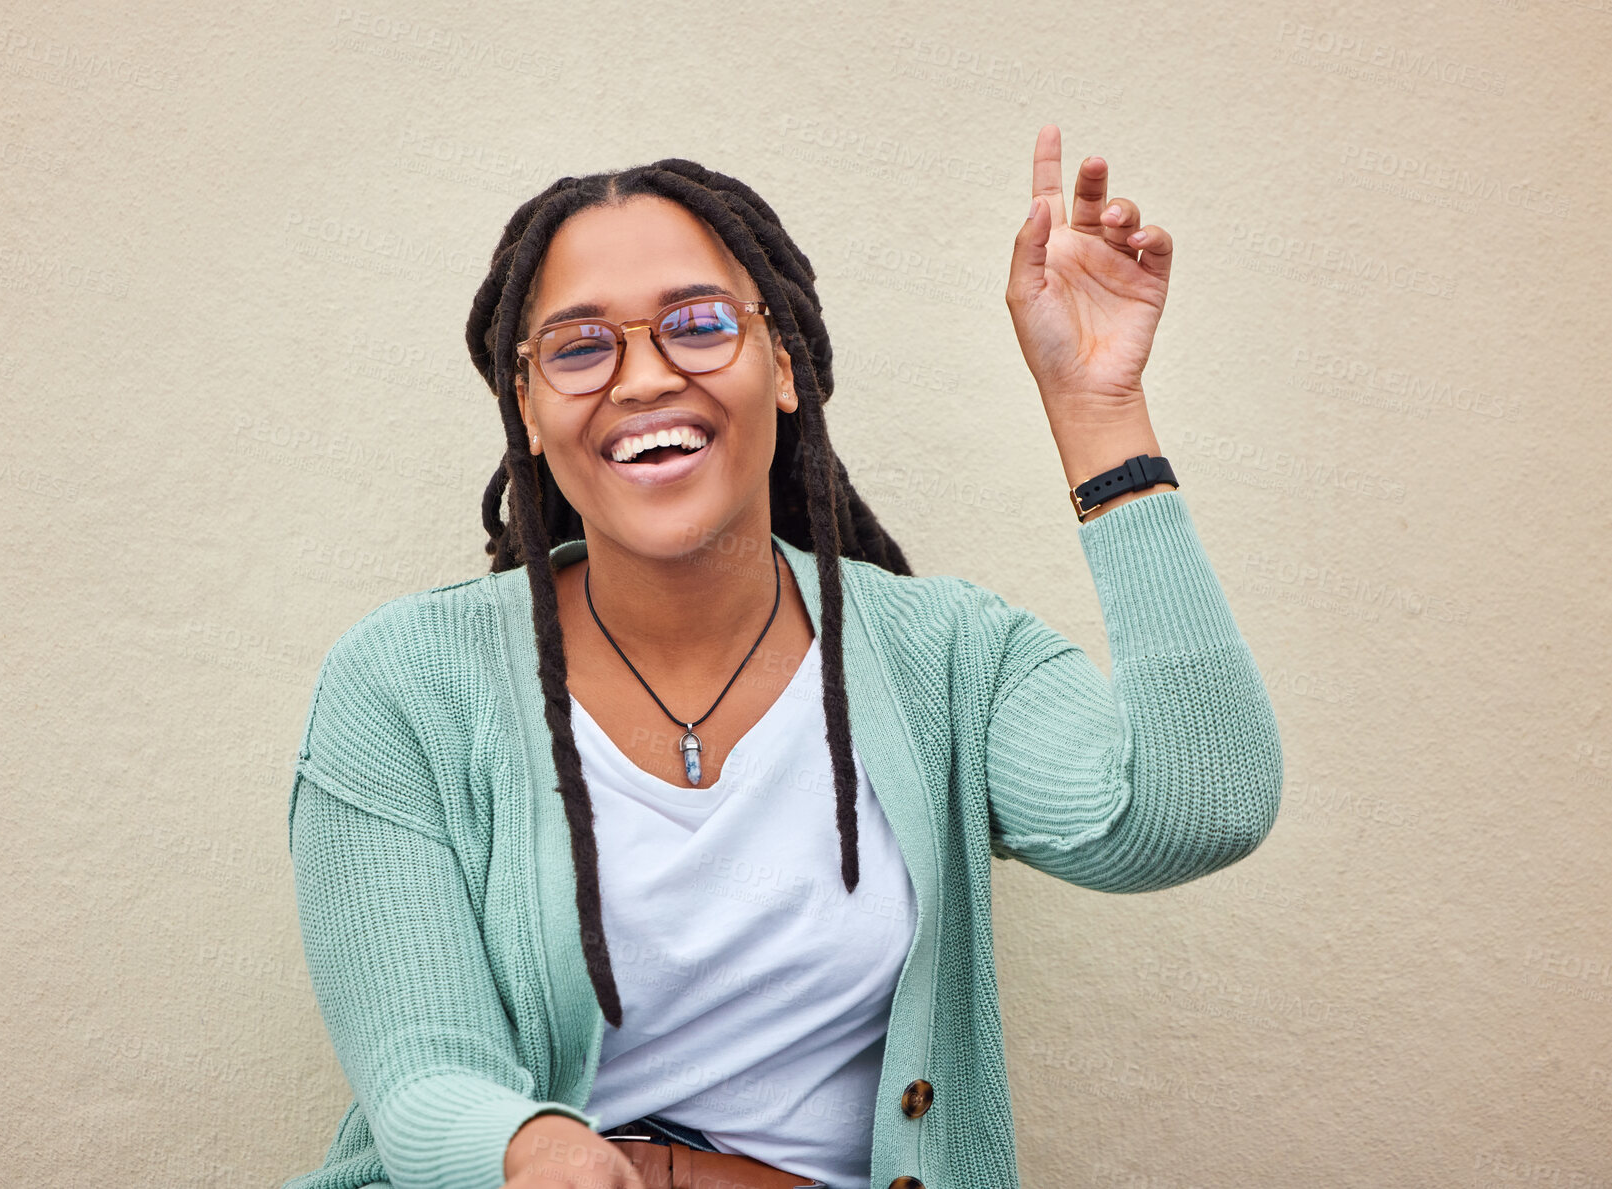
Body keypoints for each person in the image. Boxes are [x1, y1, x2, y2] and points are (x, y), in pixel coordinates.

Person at [283, 124, 1284, 1189]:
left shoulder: (945, 657)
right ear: (526, 409)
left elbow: (1199, 806)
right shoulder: (401, 685)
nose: (641, 377)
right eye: (579, 346)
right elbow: (422, 1076)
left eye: (699, 324)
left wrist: (1101, 415)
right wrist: (536, 1150)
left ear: (786, 366)